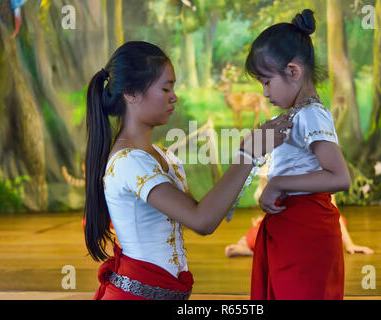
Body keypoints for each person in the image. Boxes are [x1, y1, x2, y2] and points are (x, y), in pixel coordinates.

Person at [84, 41, 292, 300]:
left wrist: (252, 156)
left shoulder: (161, 155)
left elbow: (210, 211)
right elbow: (201, 220)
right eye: (165, 88)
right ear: (131, 93)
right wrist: (248, 153)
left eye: (173, 87)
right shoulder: (129, 162)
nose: (174, 97)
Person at [245, 9, 351, 300]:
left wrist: (278, 184)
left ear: (293, 71)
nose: (265, 93)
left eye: (266, 81)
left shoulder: (312, 115)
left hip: (307, 232)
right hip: (292, 229)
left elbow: (340, 177)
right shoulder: (298, 114)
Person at [225, 196, 374, 258]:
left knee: (336, 221)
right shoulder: (276, 161)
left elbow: (333, 212)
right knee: (261, 231)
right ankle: (250, 246)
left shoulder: (325, 164)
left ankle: (264, 249)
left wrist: (349, 243)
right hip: (287, 222)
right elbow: (272, 206)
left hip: (311, 224)